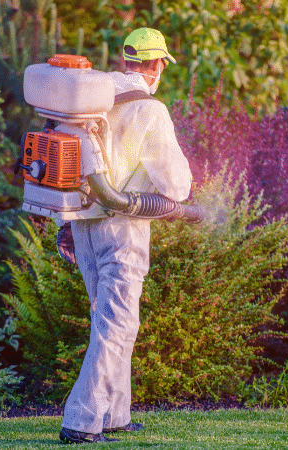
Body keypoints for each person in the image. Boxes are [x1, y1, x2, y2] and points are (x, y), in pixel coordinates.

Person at [59, 28, 193, 445]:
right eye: (160, 66)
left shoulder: (92, 99)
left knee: (110, 319)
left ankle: (115, 413)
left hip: (82, 222)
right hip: (123, 225)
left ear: (125, 60)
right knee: (117, 324)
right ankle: (81, 421)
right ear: (156, 66)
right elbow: (174, 184)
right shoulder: (149, 109)